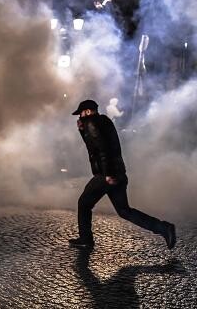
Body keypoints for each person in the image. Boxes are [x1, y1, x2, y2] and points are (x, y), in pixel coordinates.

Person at [69, 99, 176, 249]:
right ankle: (164, 228)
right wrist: (82, 131)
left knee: (84, 203)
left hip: (105, 176)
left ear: (87, 111)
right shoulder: (104, 121)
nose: (79, 117)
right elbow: (97, 146)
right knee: (125, 211)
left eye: (81, 114)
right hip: (118, 173)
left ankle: (86, 239)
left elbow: (102, 150)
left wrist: (107, 174)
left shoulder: (91, 124)